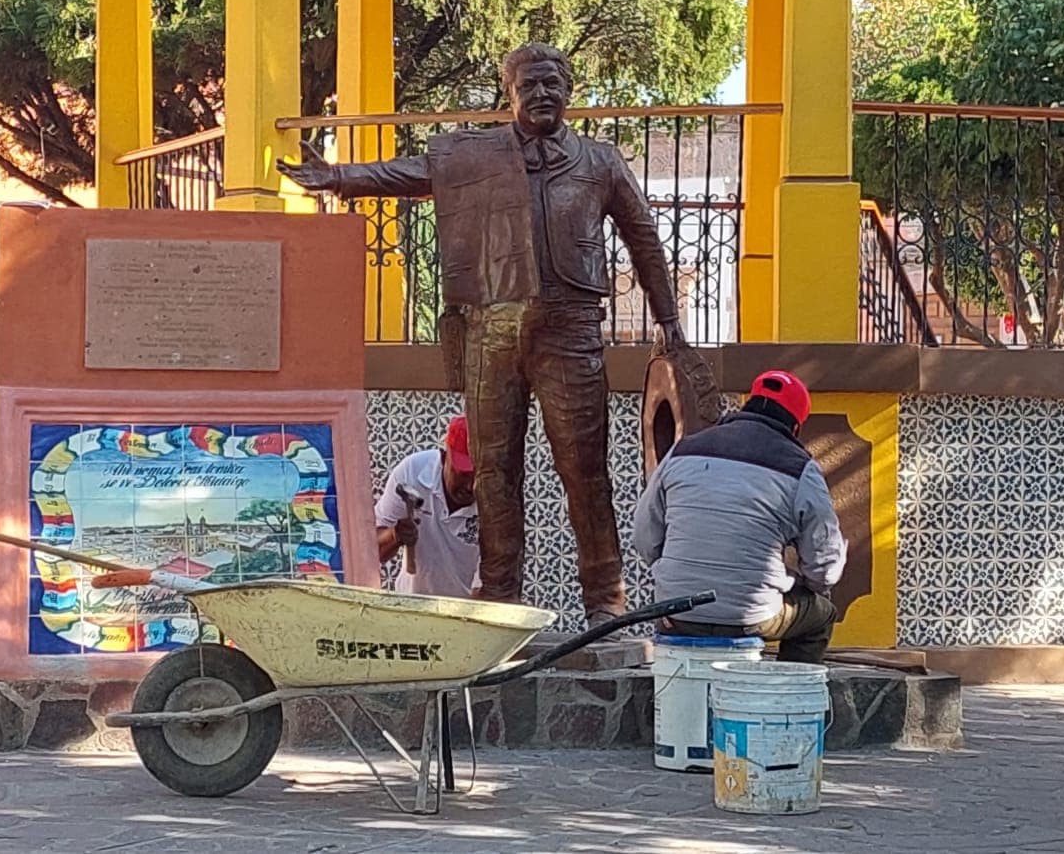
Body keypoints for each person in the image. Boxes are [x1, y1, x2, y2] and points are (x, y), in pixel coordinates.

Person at [279, 43, 684, 628]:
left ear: (568, 90)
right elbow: (413, 173)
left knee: (585, 470)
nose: (542, 94)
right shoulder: (477, 157)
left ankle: (604, 601)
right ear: (510, 93)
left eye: (552, 84)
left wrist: (668, 320)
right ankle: (498, 596)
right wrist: (341, 177)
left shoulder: (601, 162)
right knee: (494, 471)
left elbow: (644, 239)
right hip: (491, 330)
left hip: (572, 329)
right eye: (530, 85)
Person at [633, 370, 847, 664]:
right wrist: (806, 585)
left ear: (747, 405)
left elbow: (643, 537)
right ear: (795, 427)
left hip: (675, 610)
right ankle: (785, 698)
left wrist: (676, 579)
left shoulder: (681, 451)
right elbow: (826, 568)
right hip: (751, 615)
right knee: (821, 614)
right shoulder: (800, 469)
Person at [374, 416, 479, 597]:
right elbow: (371, 552)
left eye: (478, 475)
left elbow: (490, 587)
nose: (470, 486)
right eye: (463, 474)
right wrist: (395, 535)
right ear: (444, 456)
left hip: (465, 609)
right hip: (410, 605)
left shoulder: (495, 496)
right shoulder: (412, 472)